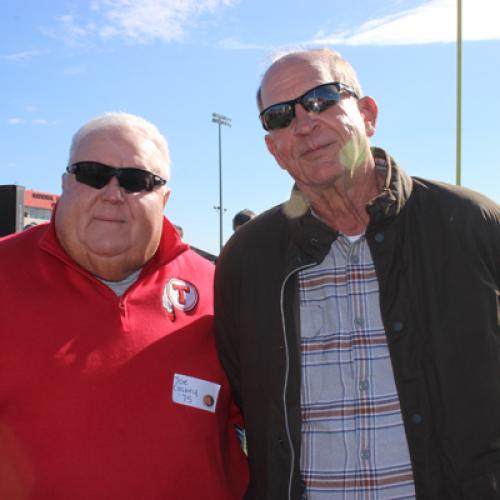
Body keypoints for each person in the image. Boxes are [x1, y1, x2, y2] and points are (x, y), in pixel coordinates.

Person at [214, 48, 500, 499]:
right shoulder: (247, 260)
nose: (305, 124)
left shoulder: (472, 224)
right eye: (280, 116)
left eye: (323, 99)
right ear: (274, 149)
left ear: (368, 114)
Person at [0, 112, 248, 499]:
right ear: (66, 183)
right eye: (93, 174)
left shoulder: (221, 288)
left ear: (163, 199)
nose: (113, 193)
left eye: (137, 181)